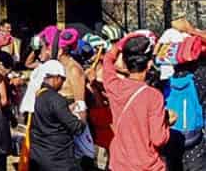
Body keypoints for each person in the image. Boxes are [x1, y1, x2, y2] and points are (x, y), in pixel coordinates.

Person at [103, 32, 172, 171]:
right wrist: (167, 121)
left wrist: (120, 43)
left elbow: (107, 59)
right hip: (146, 165)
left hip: (119, 164)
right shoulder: (153, 96)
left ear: (124, 63)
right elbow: (159, 138)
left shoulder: (113, 86)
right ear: (149, 64)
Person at [29, 60, 86, 171]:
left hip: (39, 156)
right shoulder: (56, 99)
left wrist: (65, 110)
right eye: (62, 79)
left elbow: (48, 115)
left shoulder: (38, 94)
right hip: (58, 159)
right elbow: (77, 128)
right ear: (55, 78)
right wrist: (82, 114)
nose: (63, 83)